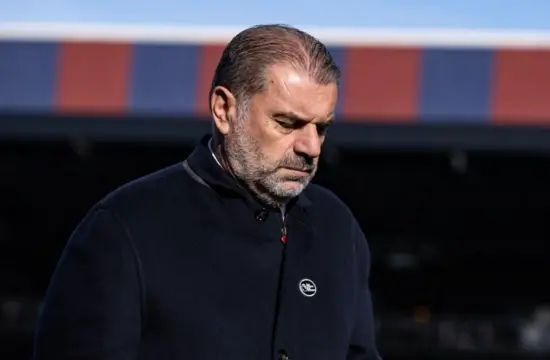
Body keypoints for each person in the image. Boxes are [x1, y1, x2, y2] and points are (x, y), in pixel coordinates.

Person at [33, 24, 381, 360]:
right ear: (224, 110)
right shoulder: (123, 229)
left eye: (320, 127)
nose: (311, 147)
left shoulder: (337, 228)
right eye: (287, 123)